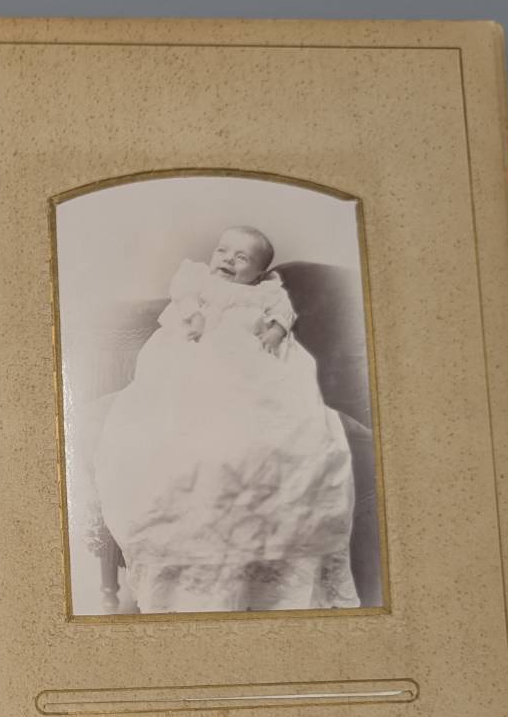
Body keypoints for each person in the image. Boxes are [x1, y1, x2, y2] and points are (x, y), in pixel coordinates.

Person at [93, 227, 359, 613]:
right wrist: (192, 316)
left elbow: (283, 314)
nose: (228, 260)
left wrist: (275, 331)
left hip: (246, 361)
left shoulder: (267, 292)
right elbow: (182, 296)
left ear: (259, 272)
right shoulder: (198, 279)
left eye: (241, 258)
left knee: (267, 403)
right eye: (223, 251)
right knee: (180, 395)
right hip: (197, 351)